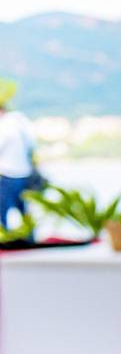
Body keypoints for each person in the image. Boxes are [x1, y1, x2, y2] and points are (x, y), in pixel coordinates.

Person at [0, 80, 42, 241]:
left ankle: (5, 239)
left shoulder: (5, 126)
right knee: (23, 208)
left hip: (8, 174)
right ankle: (30, 238)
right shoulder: (22, 123)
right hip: (25, 174)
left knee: (2, 209)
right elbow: (33, 146)